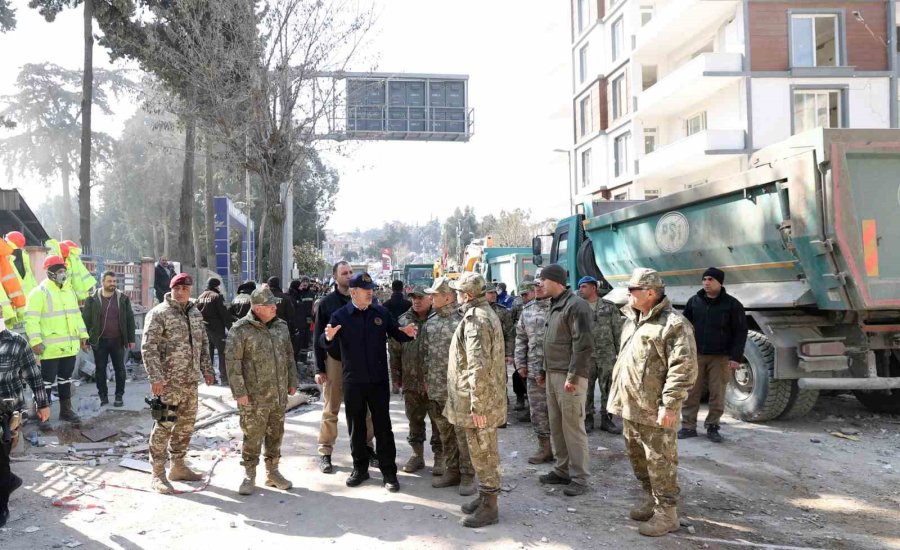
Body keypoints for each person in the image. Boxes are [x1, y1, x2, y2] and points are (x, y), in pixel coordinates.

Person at [608, 268, 698, 537]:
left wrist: (670, 406)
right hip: (630, 406)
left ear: (650, 292)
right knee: (639, 460)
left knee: (661, 463)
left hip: (654, 411)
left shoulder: (674, 325)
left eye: (633, 290)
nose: (628, 294)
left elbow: (683, 368)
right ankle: (651, 500)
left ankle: (667, 513)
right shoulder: (633, 319)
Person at [320, 272, 418, 492]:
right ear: (354, 292)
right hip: (353, 381)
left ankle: (389, 472)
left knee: (383, 427)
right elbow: (323, 340)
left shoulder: (380, 312)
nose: (370, 292)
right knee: (356, 428)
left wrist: (408, 333)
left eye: (371, 289)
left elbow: (396, 332)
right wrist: (328, 337)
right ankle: (360, 469)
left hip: (378, 381)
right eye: (366, 290)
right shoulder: (340, 316)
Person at [142, 273, 216, 494]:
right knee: (163, 426)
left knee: (185, 426)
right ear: (171, 289)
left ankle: (178, 466)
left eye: (185, 288)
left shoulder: (194, 314)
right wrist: (155, 377)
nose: (181, 292)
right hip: (167, 384)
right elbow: (149, 347)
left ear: (190, 290)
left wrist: (208, 370)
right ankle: (157, 473)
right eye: (177, 288)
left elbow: (203, 345)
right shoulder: (159, 314)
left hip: (190, 382)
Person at [446, 272, 506, 528]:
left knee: (484, 453)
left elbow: (477, 365)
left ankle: (490, 506)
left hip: (480, 402)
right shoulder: (481, 314)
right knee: (481, 451)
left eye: (458, 292)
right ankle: (484, 497)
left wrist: (477, 405)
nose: (456, 296)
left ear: (468, 295)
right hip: (480, 399)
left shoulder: (476, 320)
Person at [227, 285, 299, 495]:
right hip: (253, 397)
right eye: (270, 305)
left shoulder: (281, 327)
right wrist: (239, 392)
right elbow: (233, 363)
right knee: (252, 435)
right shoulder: (240, 330)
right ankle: (249, 474)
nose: (275, 308)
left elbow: (288, 355)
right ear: (258, 308)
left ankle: (273, 472)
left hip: (277, 395)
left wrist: (292, 380)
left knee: (276, 434)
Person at [535, 264, 594, 497]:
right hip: (553, 373)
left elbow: (583, 345)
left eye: (543, 280)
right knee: (557, 426)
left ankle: (580, 477)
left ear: (556, 281)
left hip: (570, 377)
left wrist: (573, 376)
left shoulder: (577, 306)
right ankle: (561, 470)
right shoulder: (555, 304)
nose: (540, 284)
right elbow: (550, 342)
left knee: (573, 428)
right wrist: (543, 370)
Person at [314, 262, 375, 474]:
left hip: (360, 362)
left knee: (364, 408)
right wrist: (319, 368)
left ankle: (368, 448)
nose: (348, 276)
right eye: (344, 273)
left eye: (350, 272)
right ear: (335, 277)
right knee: (331, 408)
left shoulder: (366, 299)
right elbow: (319, 338)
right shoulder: (327, 304)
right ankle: (325, 452)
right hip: (336, 361)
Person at [679, 267, 747, 443]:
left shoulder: (732, 304)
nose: (706, 283)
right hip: (697, 355)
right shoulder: (694, 301)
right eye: (704, 279)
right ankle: (687, 426)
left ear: (720, 282)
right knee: (691, 391)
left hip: (721, 357)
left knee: (717, 392)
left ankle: (712, 426)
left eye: (710, 279)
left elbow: (740, 332)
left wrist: (735, 357)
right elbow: (684, 327)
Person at [423, 277, 476, 495]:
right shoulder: (431, 322)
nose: (431, 298)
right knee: (445, 433)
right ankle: (452, 470)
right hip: (436, 388)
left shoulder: (463, 320)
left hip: (458, 389)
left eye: (435, 295)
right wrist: (426, 380)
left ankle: (468, 474)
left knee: (463, 434)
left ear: (448, 297)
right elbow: (426, 355)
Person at [24, 255, 89, 429]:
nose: (63, 273)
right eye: (59, 270)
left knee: (65, 380)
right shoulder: (39, 293)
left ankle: (66, 411)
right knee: (45, 382)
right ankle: (42, 416)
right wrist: (35, 341)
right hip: (48, 349)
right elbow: (31, 320)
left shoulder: (69, 292)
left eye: (64, 270)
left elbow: (77, 316)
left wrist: (83, 336)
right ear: (50, 272)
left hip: (69, 347)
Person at [0, 314, 50, 527]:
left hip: (6, 410)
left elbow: (33, 374)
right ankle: (10, 481)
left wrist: (43, 403)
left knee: (0, 460)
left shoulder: (16, 342)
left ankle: (1, 507)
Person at [389, 287, 441, 474]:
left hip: (436, 383)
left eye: (420, 298)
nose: (416, 301)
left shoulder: (440, 319)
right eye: (413, 298)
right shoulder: (403, 320)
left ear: (430, 298)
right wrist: (396, 376)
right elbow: (394, 351)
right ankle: (417, 455)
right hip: (411, 382)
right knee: (414, 421)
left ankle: (439, 458)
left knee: (439, 422)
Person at [82, 271, 137, 407]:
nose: (112, 284)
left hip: (118, 340)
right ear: (102, 282)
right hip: (100, 341)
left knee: (120, 369)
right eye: (109, 281)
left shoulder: (123, 299)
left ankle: (119, 396)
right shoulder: (92, 299)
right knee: (100, 369)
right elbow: (86, 321)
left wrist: (131, 339)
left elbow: (130, 319)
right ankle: (103, 396)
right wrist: (85, 340)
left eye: (114, 281)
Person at [577, 276, 624, 434]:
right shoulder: (577, 307)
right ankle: (587, 418)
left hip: (606, 354)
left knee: (608, 388)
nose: (580, 290)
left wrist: (620, 354)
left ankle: (607, 419)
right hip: (586, 355)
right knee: (586, 389)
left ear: (593, 288)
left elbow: (618, 331)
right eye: (580, 287)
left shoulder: (609, 307)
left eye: (583, 287)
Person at [514, 278, 553, 464]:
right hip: (533, 371)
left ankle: (564, 451)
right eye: (535, 286)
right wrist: (520, 363)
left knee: (560, 412)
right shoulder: (527, 311)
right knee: (538, 411)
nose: (536, 289)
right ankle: (544, 448)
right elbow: (520, 338)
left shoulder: (560, 308)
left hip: (557, 371)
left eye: (540, 285)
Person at [485, 283, 515, 425]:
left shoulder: (502, 311)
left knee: (500, 383)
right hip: (482, 355)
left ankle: (501, 417)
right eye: (490, 293)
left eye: (494, 293)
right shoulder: (477, 311)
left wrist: (509, 353)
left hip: (498, 354)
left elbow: (509, 333)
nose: (493, 295)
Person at [196, 277, 232, 385]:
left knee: (208, 354)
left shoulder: (200, 297)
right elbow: (224, 314)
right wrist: (231, 328)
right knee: (222, 352)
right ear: (216, 286)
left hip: (204, 329)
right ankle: (224, 378)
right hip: (217, 330)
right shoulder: (217, 296)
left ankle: (211, 379)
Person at [289, 278, 316, 359]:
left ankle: (304, 358)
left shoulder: (312, 294)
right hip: (299, 321)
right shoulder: (298, 294)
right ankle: (299, 358)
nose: (304, 283)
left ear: (308, 283)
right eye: (303, 282)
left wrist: (312, 318)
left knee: (307, 339)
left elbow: (314, 307)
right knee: (299, 339)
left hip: (309, 319)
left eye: (306, 282)